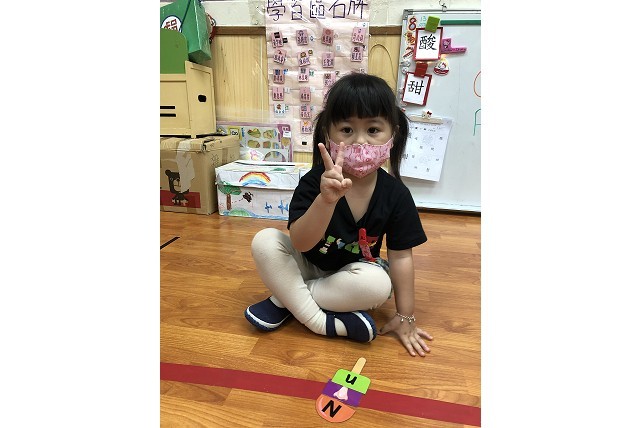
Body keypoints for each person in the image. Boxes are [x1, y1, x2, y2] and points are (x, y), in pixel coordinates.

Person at [245, 72, 433, 357]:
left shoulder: (396, 195)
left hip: (351, 275)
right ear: (328, 134)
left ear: (393, 135)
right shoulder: (314, 182)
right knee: (265, 241)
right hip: (307, 264)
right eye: (346, 129)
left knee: (379, 285)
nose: (360, 141)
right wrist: (325, 201)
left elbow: (401, 257)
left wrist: (406, 316)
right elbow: (300, 243)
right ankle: (320, 323)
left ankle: (286, 298)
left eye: (373, 130)